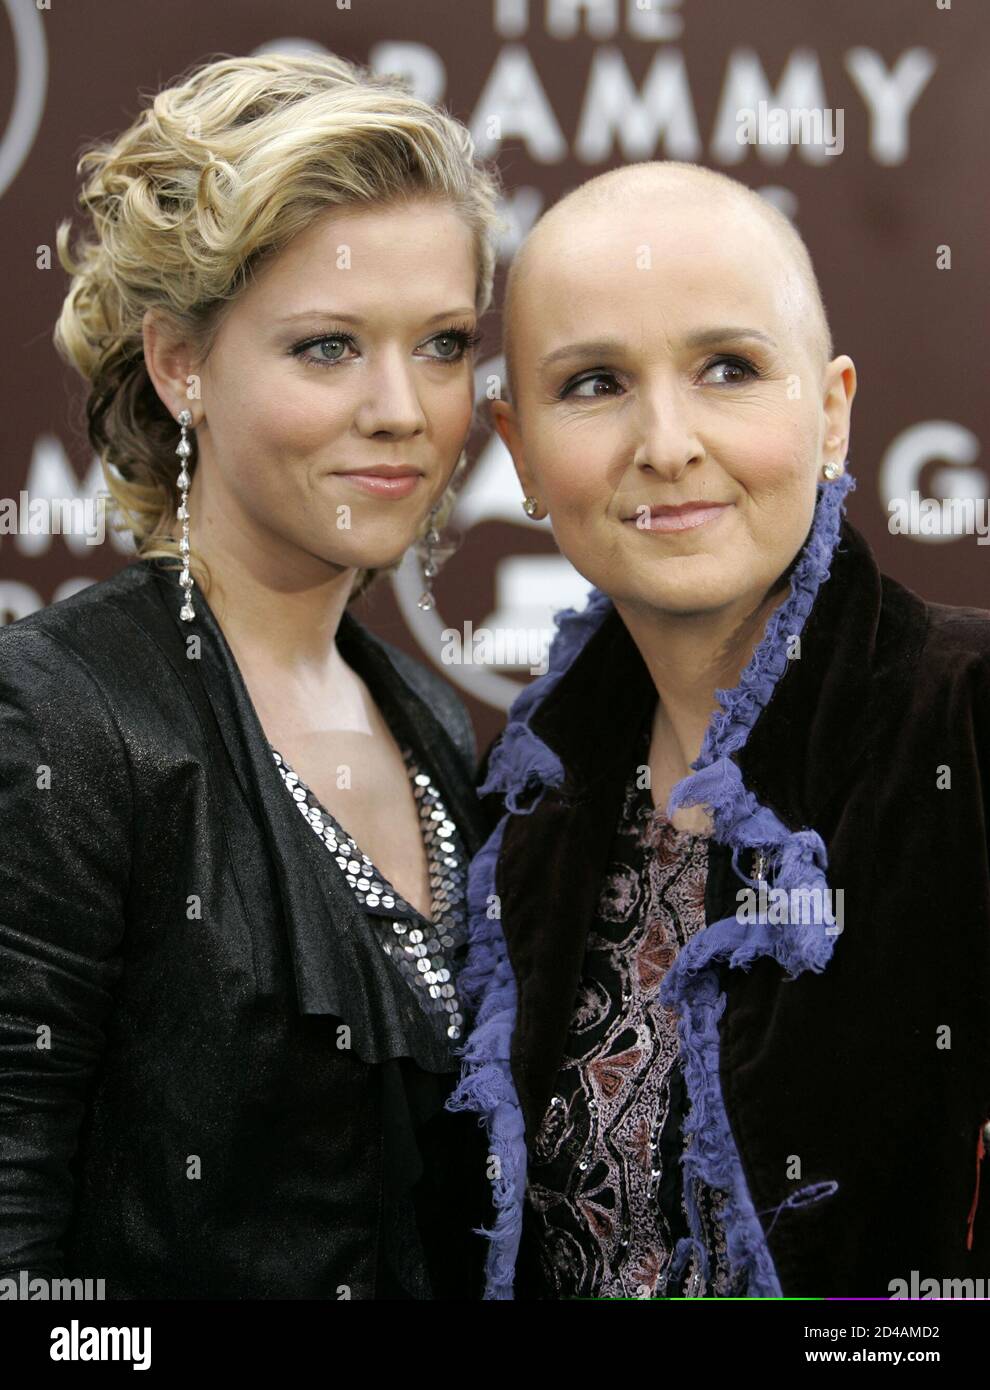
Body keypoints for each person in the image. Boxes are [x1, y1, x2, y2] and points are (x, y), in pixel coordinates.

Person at [0, 51, 504, 1299]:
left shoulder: (434, 721)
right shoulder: (63, 716)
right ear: (181, 365)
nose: (402, 407)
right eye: (329, 347)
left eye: (440, 345)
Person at [448, 160, 990, 1299]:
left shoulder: (972, 719)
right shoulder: (525, 799)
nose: (667, 440)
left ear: (834, 409)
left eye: (729, 369)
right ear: (520, 451)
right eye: (594, 383)